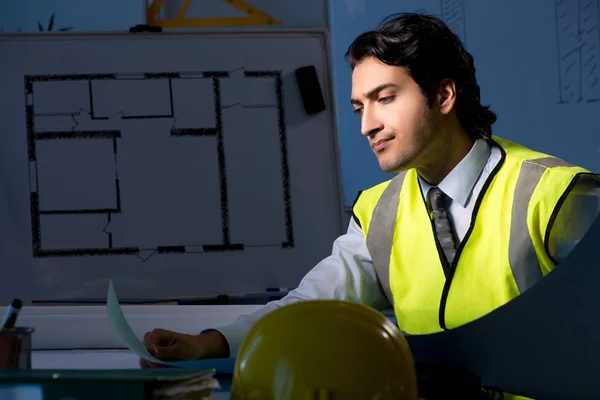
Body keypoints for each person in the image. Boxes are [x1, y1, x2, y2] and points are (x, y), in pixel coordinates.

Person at [140, 12, 600, 368]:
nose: (367, 125)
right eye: (360, 106)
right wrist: (210, 343)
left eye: (385, 98)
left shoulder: (555, 194)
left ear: (443, 96)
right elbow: (312, 305)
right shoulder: (380, 212)